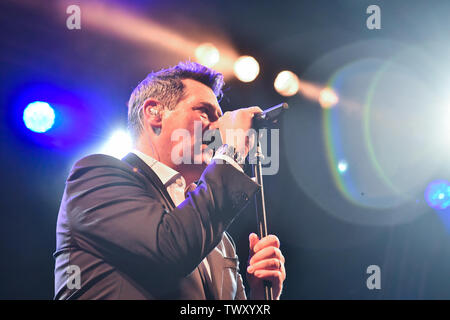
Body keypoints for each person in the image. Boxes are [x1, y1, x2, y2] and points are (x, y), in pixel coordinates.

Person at [54, 61, 286, 299]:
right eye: (204, 112)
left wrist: (260, 297)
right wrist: (233, 150)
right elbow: (169, 249)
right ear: (154, 112)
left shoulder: (219, 239)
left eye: (220, 117)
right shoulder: (95, 177)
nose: (218, 128)